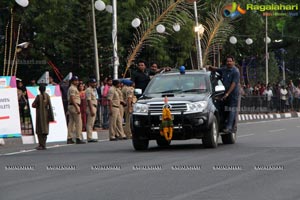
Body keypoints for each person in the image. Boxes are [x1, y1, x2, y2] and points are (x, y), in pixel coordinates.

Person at [209, 56, 240, 133]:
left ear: (233, 62)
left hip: (233, 94)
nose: (229, 63)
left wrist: (227, 94)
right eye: (227, 61)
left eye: (230, 61)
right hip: (223, 93)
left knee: (232, 110)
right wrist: (210, 67)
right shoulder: (224, 69)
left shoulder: (235, 71)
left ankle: (229, 127)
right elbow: (216, 69)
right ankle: (222, 125)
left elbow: (234, 84)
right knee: (222, 109)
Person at [32, 84, 53, 150]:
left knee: (39, 130)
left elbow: (33, 105)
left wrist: (37, 106)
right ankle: (44, 144)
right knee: (45, 130)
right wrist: (51, 117)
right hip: (46, 115)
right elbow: (50, 107)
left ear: (39, 89)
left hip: (39, 115)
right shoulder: (47, 96)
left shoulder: (38, 96)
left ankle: (41, 144)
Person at [67, 76, 84, 144]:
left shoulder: (72, 88)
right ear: (72, 81)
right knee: (78, 122)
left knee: (71, 123)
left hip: (72, 106)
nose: (77, 82)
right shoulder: (73, 88)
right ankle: (78, 138)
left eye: (77, 81)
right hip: (74, 106)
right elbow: (72, 98)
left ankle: (69, 138)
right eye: (75, 81)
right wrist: (77, 107)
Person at [85, 78, 98, 142]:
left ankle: (90, 136)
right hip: (91, 107)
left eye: (95, 82)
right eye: (93, 83)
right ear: (89, 83)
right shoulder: (88, 90)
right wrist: (91, 109)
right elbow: (89, 100)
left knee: (92, 123)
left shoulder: (93, 90)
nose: (94, 84)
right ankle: (89, 137)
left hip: (94, 106)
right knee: (90, 123)